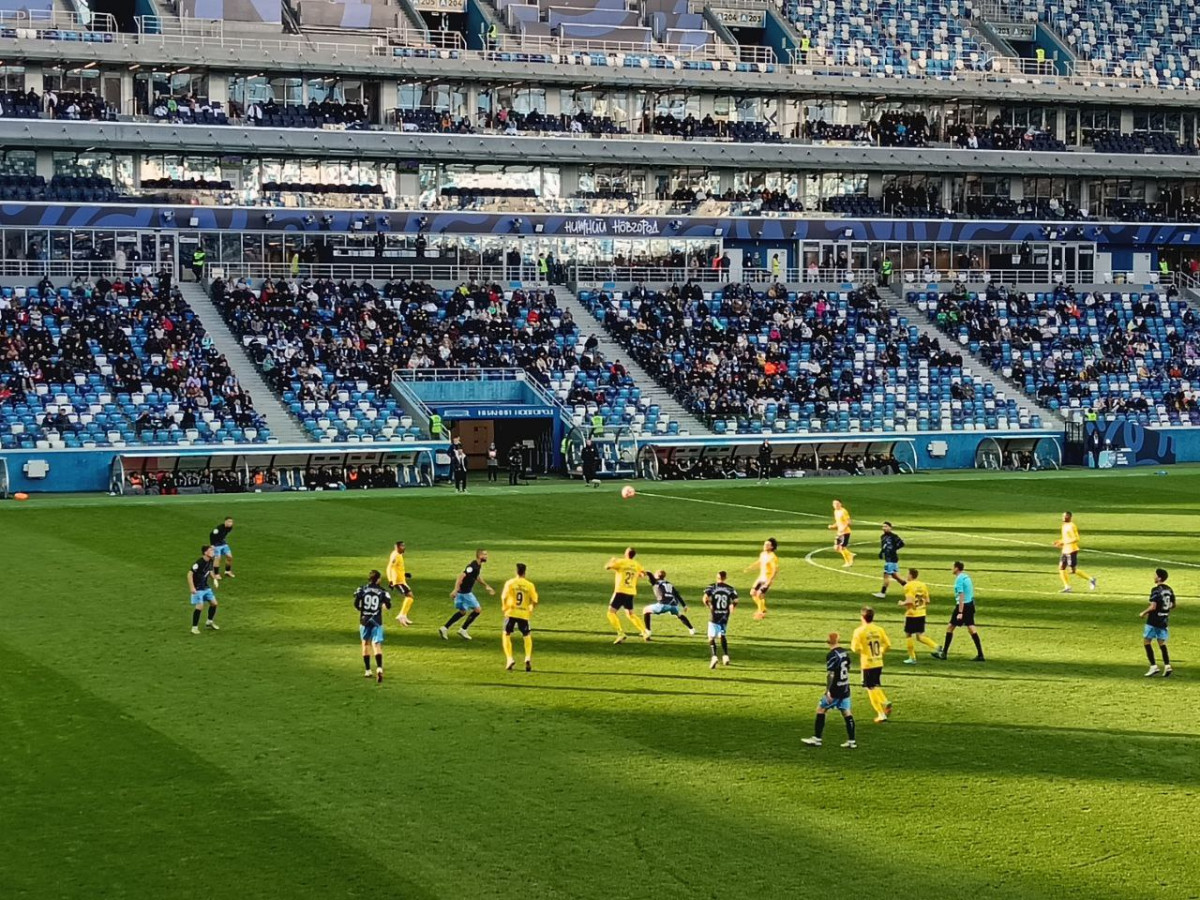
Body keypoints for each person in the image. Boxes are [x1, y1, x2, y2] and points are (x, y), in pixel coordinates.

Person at [802, 632, 857, 749]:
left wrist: (828, 690)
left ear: (828, 641)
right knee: (846, 712)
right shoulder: (844, 652)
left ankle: (817, 738)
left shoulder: (832, 655)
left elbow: (831, 674)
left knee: (821, 709)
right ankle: (852, 741)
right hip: (845, 686)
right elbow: (848, 667)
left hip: (835, 688)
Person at [932, 561, 984, 662]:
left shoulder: (959, 579)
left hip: (963, 606)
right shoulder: (967, 577)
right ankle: (980, 654)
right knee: (971, 628)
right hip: (970, 604)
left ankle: (944, 654)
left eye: (953, 567)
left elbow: (961, 595)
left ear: (956, 568)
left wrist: (960, 612)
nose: (951, 569)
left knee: (950, 627)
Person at [439, 549, 494, 641]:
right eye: (484, 554)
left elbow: (476, 577)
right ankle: (463, 630)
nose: (486, 556)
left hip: (461, 593)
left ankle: (444, 628)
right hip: (465, 593)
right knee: (478, 610)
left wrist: (486, 586)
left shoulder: (477, 566)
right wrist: (455, 590)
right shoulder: (472, 566)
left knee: (462, 612)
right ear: (479, 555)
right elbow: (461, 576)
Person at [851, 606, 892, 723]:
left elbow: (854, 648)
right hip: (878, 661)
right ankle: (884, 703)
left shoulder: (859, 631)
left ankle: (881, 710)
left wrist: (863, 650)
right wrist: (881, 652)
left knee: (870, 688)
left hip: (867, 663)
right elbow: (888, 644)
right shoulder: (879, 629)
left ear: (862, 617)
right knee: (875, 685)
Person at [354, 570, 392, 683]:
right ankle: (379, 668)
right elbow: (388, 605)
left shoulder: (362, 589)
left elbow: (356, 604)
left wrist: (362, 610)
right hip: (376, 620)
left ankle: (368, 670)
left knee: (365, 644)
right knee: (376, 644)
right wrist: (383, 606)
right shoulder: (382, 591)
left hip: (364, 620)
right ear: (378, 579)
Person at [605, 547, 648, 643]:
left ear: (625, 554)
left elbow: (607, 567)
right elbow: (643, 574)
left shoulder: (620, 562)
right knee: (630, 614)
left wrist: (612, 561)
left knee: (611, 613)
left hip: (620, 590)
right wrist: (638, 574)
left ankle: (620, 633)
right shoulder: (637, 564)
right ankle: (644, 632)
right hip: (631, 591)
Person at [501, 562, 538, 671]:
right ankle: (527, 657)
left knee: (506, 634)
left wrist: (504, 607)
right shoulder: (529, 585)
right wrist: (530, 608)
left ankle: (509, 659)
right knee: (526, 635)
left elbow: (504, 597)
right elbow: (535, 600)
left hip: (511, 612)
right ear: (524, 572)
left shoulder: (510, 583)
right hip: (523, 613)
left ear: (516, 572)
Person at [898, 568, 938, 664]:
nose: (907, 576)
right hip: (922, 613)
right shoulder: (923, 585)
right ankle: (937, 647)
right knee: (920, 636)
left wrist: (902, 603)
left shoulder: (908, 586)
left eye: (908, 574)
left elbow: (910, 601)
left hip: (912, 614)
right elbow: (927, 601)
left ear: (911, 575)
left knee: (908, 634)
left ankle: (912, 658)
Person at [1140, 568, 1175, 677]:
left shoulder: (1155, 590)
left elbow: (1153, 606)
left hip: (1153, 620)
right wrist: (1164, 610)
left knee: (1147, 641)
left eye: (1155, 575)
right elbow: (1173, 605)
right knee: (1162, 643)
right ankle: (1167, 665)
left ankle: (1153, 666)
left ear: (1159, 578)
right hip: (1163, 620)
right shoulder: (1169, 589)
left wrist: (1143, 613)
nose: (1153, 577)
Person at [643, 570, 695, 639]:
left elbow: (650, 575)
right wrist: (684, 605)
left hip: (663, 605)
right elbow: (677, 594)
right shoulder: (669, 584)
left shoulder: (656, 582)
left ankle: (648, 631)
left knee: (645, 610)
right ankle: (691, 629)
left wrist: (645, 572)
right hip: (673, 605)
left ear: (657, 576)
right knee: (679, 615)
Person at [1054, 512, 1097, 593]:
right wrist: (1060, 541)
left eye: (1066, 516)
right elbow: (1066, 538)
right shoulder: (1064, 525)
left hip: (1072, 550)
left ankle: (1091, 579)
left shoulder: (1071, 526)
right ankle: (1067, 587)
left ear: (1070, 517)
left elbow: (1076, 538)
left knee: (1073, 570)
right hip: (1065, 550)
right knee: (1061, 568)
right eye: (1063, 516)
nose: (1064, 517)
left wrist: (1064, 542)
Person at [704, 571, 738, 669]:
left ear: (717, 577)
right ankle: (726, 655)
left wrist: (709, 606)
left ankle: (714, 656)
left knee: (711, 637)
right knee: (722, 634)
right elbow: (736, 600)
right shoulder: (730, 588)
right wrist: (732, 606)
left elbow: (705, 599)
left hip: (714, 614)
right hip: (725, 614)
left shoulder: (711, 587)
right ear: (725, 578)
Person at [745, 537, 779, 620]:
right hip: (760, 578)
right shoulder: (763, 554)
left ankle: (760, 613)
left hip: (767, 579)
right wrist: (750, 567)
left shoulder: (773, 557)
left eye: (767, 545)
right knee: (752, 593)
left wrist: (769, 581)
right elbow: (759, 562)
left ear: (772, 547)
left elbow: (775, 570)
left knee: (759, 594)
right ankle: (763, 609)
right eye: (765, 544)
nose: (765, 546)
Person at [188, 545, 219, 633]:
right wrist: (192, 587)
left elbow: (210, 570)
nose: (213, 552)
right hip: (198, 588)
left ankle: (209, 622)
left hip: (205, 587)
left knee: (214, 603)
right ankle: (194, 628)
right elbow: (189, 574)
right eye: (211, 550)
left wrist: (214, 579)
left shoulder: (210, 560)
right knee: (200, 606)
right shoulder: (199, 563)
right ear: (205, 553)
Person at [872, 522, 906, 599]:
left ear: (890, 527)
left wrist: (894, 548)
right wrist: (881, 552)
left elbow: (902, 544)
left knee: (886, 576)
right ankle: (909, 587)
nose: (884, 528)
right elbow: (884, 546)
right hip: (888, 559)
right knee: (895, 576)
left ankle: (882, 593)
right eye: (883, 526)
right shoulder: (882, 536)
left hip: (892, 559)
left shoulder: (894, 536)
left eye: (886, 526)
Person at [387, 540, 415, 626]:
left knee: (410, 596)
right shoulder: (395, 556)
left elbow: (397, 568)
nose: (404, 547)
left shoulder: (399, 554)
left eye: (404, 546)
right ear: (397, 547)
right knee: (409, 596)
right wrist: (390, 580)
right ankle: (402, 615)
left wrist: (405, 574)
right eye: (402, 546)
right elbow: (389, 568)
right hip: (397, 581)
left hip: (402, 580)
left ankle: (403, 615)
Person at [829, 500, 855, 567]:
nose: (836, 505)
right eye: (834, 504)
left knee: (842, 548)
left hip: (845, 532)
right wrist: (833, 526)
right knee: (836, 547)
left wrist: (843, 528)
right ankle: (849, 554)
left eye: (837, 503)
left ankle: (848, 562)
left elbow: (849, 522)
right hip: (839, 532)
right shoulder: (835, 511)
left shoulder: (843, 511)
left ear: (841, 504)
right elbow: (838, 522)